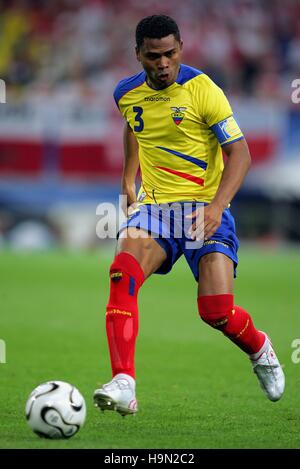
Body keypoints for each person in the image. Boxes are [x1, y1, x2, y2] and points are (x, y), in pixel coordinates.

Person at [93, 15, 285, 416]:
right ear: (138, 55)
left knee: (216, 313)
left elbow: (241, 154)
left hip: (205, 210)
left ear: (181, 48)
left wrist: (216, 207)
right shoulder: (125, 93)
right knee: (121, 274)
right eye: (153, 56)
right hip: (157, 208)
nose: (162, 64)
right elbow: (134, 126)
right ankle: (124, 381)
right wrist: (129, 177)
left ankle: (260, 348)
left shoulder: (203, 90)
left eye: (170, 54)